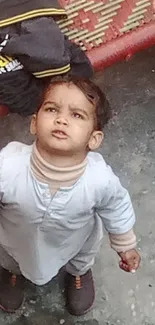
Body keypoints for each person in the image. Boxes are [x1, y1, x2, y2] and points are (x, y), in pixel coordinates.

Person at [0, 76, 141, 316]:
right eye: (52, 109)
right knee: (10, 254)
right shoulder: (8, 164)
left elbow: (116, 207)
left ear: (94, 139)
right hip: (15, 238)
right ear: (34, 123)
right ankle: (12, 272)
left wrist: (125, 245)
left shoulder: (99, 180)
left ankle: (78, 273)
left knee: (81, 256)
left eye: (77, 115)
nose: (61, 119)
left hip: (75, 240)